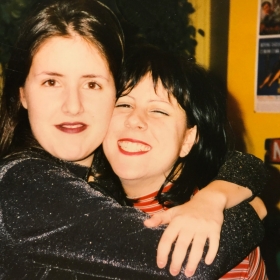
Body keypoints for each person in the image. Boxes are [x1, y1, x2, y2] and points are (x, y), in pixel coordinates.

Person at [0, 0, 266, 279]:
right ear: (22, 94)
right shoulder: (25, 182)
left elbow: (237, 162)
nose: (73, 106)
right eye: (51, 82)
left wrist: (218, 196)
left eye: (92, 84)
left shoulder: (94, 182)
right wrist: (251, 209)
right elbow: (189, 264)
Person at [102, 45, 267, 279]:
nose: (134, 120)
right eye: (124, 104)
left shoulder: (206, 227)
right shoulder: (89, 199)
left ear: (188, 139)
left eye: (158, 111)